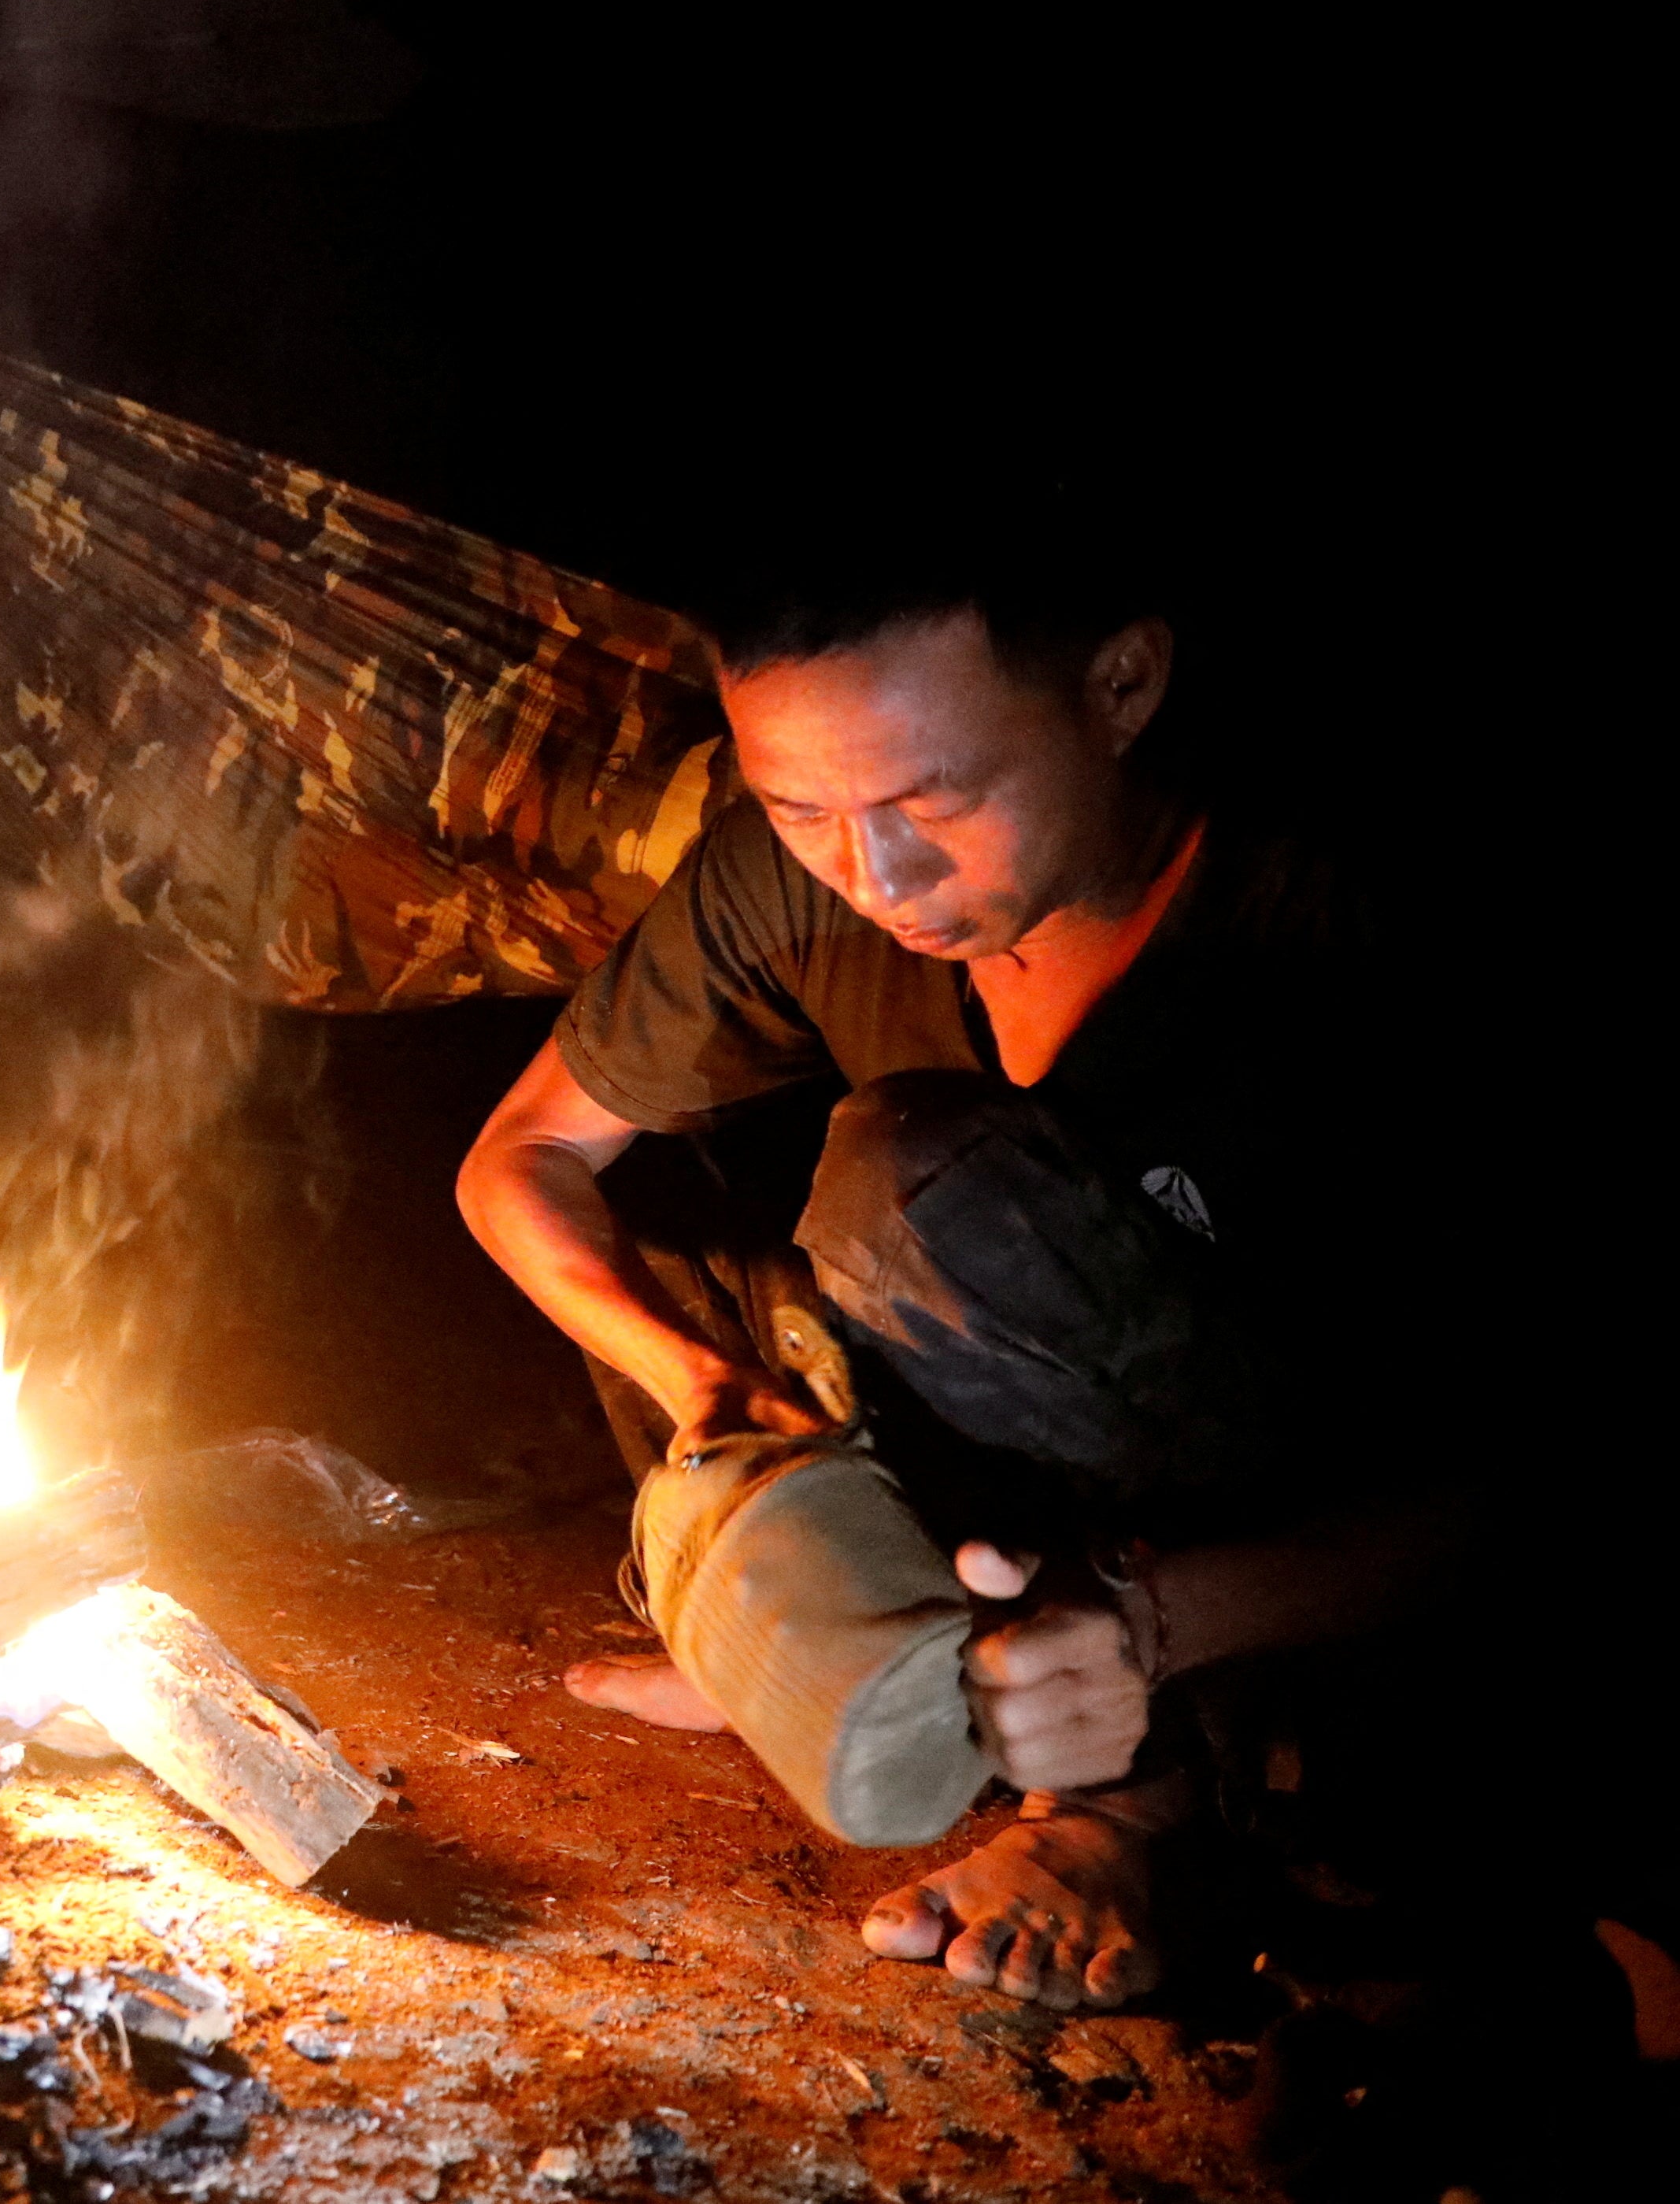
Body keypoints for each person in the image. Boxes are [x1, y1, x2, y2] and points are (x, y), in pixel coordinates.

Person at [451, 509, 1464, 2010]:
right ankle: (836, 1624)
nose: (873, 871)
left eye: (937, 794)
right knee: (664, 1202)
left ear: (1120, 687)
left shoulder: (1339, 933)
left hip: (1266, 1507)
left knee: (912, 1187)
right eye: (800, 808)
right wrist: (704, 1382)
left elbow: (1529, 1486)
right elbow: (517, 1161)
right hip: (1008, 1441)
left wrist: (1152, 1622)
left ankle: (1132, 1799)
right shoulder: (797, 871)